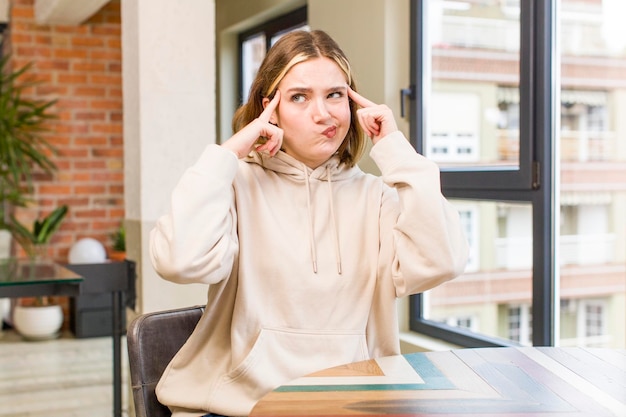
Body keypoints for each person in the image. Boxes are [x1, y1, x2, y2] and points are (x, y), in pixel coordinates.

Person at [149, 29, 469, 417]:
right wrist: (230, 153)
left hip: (354, 404)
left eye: (335, 95)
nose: (324, 114)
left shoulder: (375, 197)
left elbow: (443, 261)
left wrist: (396, 150)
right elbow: (180, 261)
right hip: (243, 405)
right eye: (299, 97)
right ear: (271, 109)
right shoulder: (234, 185)